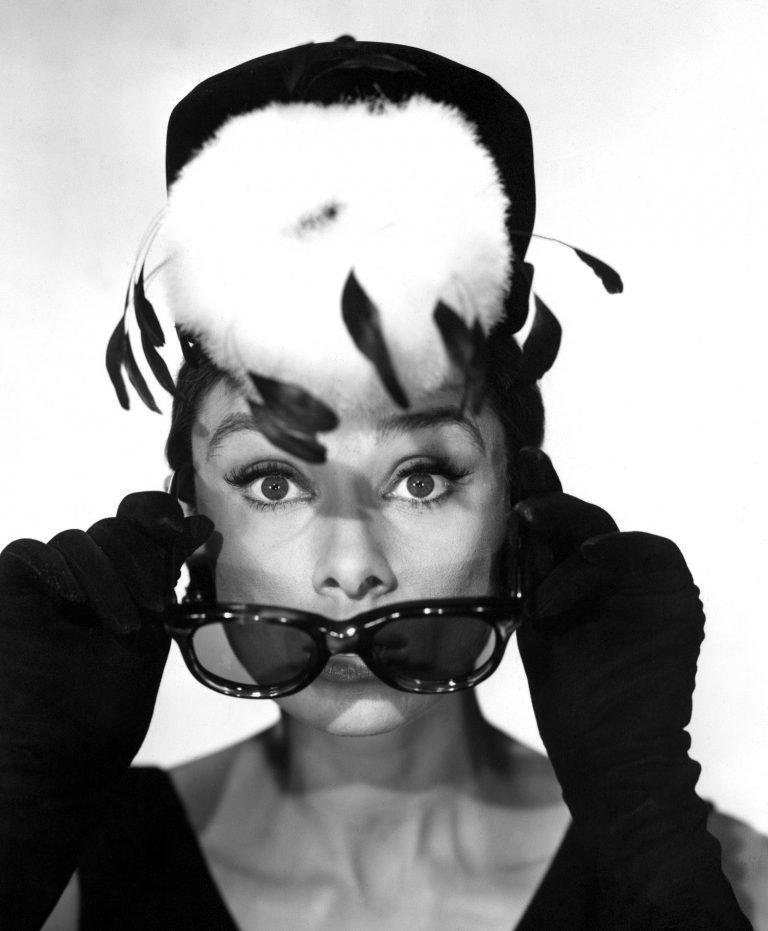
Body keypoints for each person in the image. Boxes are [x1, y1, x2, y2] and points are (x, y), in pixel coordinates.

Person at [0, 37, 764, 931]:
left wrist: (645, 823)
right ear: (187, 510)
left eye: (421, 477)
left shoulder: (727, 875)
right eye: (273, 481)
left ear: (518, 497)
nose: (353, 564)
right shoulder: (65, 879)